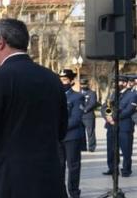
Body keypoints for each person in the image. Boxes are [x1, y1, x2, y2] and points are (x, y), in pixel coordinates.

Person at [0, 18, 67, 197]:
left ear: (1, 43)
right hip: (47, 180)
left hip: (9, 183)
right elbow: (61, 130)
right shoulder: (51, 78)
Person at [102, 75, 137, 177]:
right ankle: (112, 168)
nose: (116, 84)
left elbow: (128, 110)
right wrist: (107, 117)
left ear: (125, 83)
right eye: (115, 82)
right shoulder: (113, 94)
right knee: (111, 149)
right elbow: (105, 107)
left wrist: (113, 118)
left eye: (119, 82)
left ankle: (126, 170)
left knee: (126, 150)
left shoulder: (132, 95)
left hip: (124, 126)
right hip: (111, 126)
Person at [58, 69, 84, 198]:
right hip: (57, 138)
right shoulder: (54, 96)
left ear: (71, 81)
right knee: (59, 166)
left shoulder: (77, 96)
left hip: (71, 137)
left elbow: (76, 119)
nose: (62, 82)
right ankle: (60, 192)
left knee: (73, 166)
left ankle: (74, 192)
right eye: (60, 80)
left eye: (65, 80)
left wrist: (58, 128)